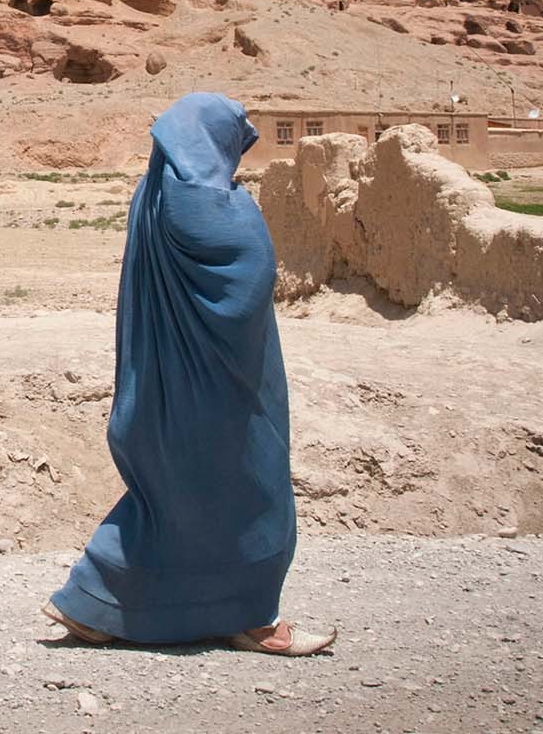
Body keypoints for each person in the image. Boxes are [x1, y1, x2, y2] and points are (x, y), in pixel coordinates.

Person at [42, 93, 335, 656]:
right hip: (217, 387)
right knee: (251, 490)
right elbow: (248, 267)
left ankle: (96, 605)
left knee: (171, 501)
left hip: (160, 386)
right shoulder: (204, 199)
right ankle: (251, 620)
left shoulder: (152, 192)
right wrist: (247, 210)